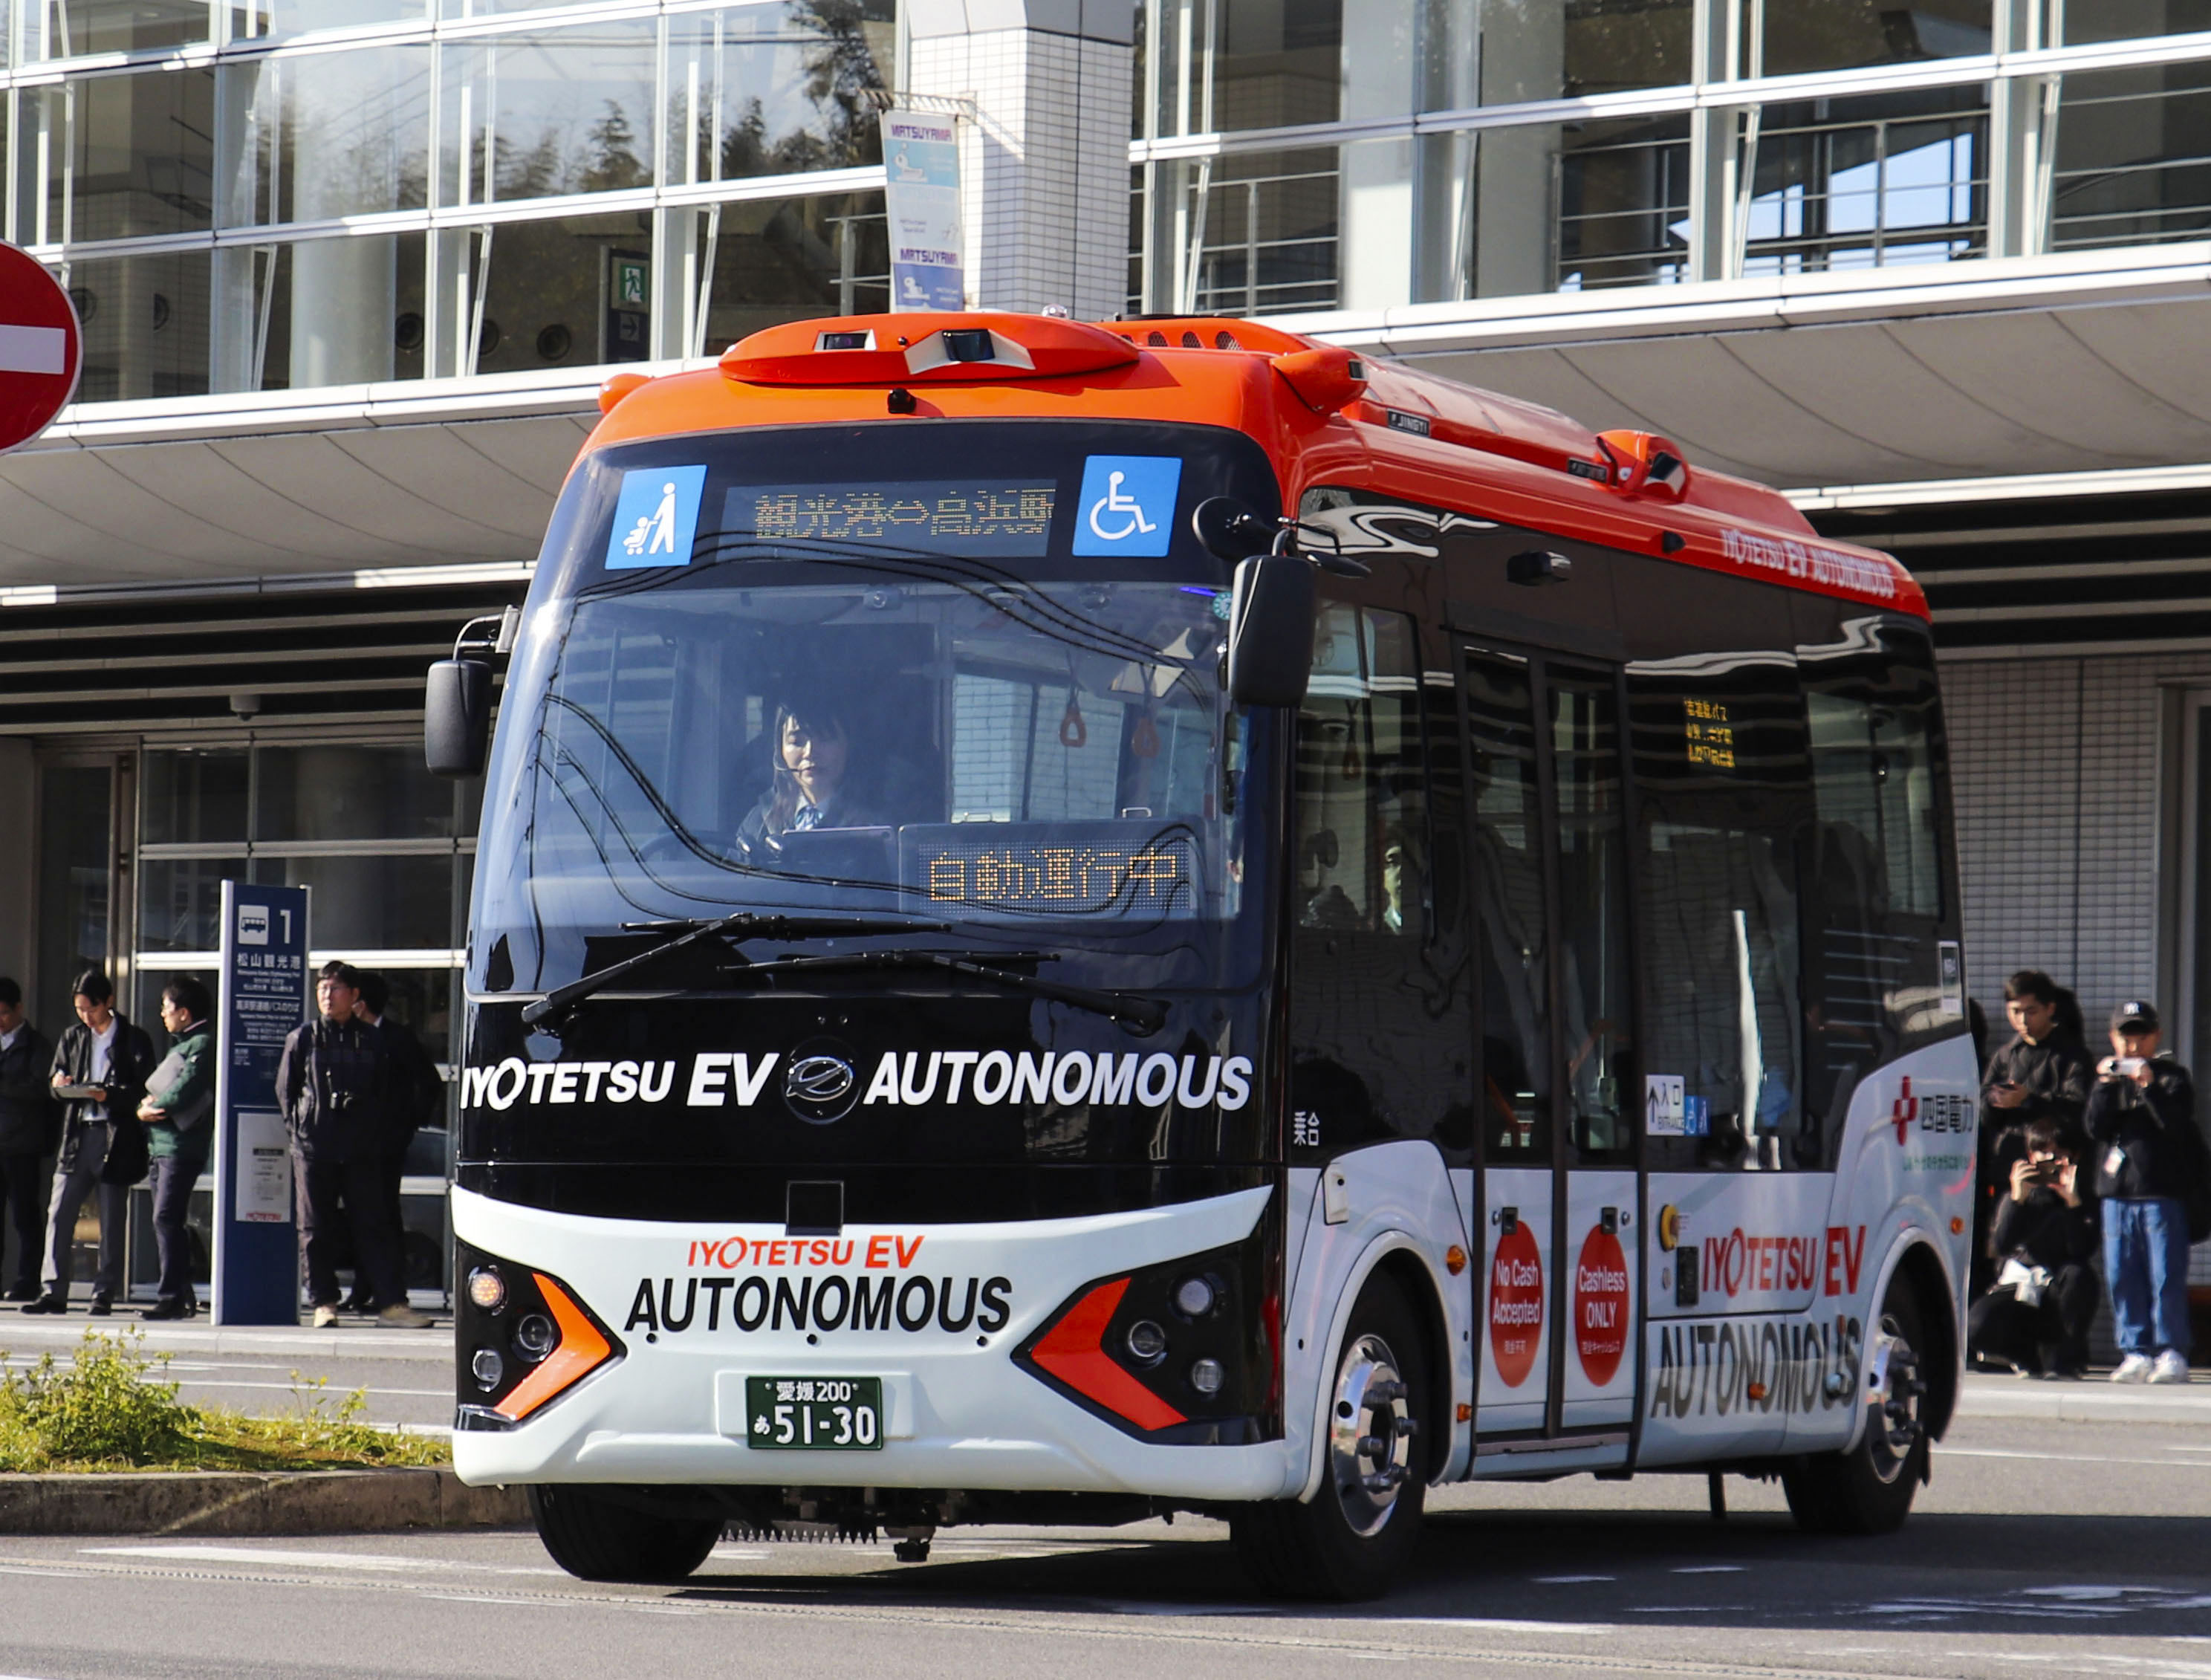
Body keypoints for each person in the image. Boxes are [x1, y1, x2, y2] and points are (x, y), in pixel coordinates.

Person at [276, 962, 430, 1329]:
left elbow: (391, 1095)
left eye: (337, 989)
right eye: (323, 989)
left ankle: (392, 1304)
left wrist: (388, 1135)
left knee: (375, 1225)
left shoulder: (375, 1040)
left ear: (355, 996)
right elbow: (286, 1091)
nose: (328, 996)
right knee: (314, 1226)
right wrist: (299, 1132)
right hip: (314, 1147)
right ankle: (324, 1303)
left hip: (364, 1149)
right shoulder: (304, 1038)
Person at [2085, 999, 2204, 1384]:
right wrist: (2105, 1084)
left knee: (2165, 1275)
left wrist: (2149, 1086)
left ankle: (2170, 1350)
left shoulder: (2173, 1078)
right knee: (2122, 1275)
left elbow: (2176, 1125)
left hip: (2161, 1193)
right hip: (2117, 1195)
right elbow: (2094, 1128)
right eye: (2125, 1038)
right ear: (2113, 1039)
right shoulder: (2109, 1080)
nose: (2132, 1047)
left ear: (2156, 1037)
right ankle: (2134, 1350)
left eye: (2141, 1037)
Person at [23, 971, 155, 1315]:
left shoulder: (133, 1039)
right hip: (77, 1132)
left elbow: (143, 1089)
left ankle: (104, 1293)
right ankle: (53, 1291)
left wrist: (107, 1095)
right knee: (60, 1212)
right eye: (79, 1009)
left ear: (108, 1002)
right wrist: (59, 1082)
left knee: (111, 1220)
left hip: (115, 1136)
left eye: (91, 1009)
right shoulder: (73, 1037)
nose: (86, 1016)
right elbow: (56, 1080)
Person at [1975, 970, 2090, 1297]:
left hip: (2056, 1175)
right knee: (2004, 1251)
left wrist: (2028, 1098)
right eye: (2015, 1012)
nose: (2023, 1020)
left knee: (2063, 1266)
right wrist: (1996, 1103)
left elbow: (2080, 1107)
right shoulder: (2005, 1055)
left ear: (2050, 1009)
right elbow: (1983, 1115)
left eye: (2031, 1011)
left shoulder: (2070, 1054)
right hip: (2011, 1174)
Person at [1967, 1117, 2099, 1378]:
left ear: (2074, 1158)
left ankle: (2064, 1361)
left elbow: (2081, 1250)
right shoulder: (2018, 1195)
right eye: (2044, 1153)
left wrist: (2073, 1204)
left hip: (2058, 1291)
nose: (2052, 1160)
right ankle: (2021, 1356)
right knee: (1977, 1324)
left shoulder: (2084, 1198)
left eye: (2060, 1155)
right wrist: (2017, 1199)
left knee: (2079, 1275)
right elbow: (2002, 1245)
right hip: (2020, 1283)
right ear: (2030, 1156)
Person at [342, 973, 444, 1317]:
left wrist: (410, 1122)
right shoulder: (346, 1037)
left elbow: (429, 1080)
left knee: (383, 1216)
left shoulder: (397, 1038)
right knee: (359, 1217)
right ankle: (363, 1288)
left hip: (386, 1144)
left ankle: (388, 1290)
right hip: (354, 1143)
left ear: (360, 1002)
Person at [136, 979, 216, 1320]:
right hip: (162, 1144)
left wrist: (152, 1109)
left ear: (184, 1013)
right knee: (169, 1219)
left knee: (166, 1217)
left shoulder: (202, 1043)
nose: (162, 1015)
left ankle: (170, 1297)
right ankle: (182, 1295)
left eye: (167, 1009)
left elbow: (188, 1088)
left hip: (181, 1146)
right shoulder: (180, 1045)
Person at [734, 697, 886, 857]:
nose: (810, 752)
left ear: (848, 747)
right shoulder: (758, 823)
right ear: (780, 751)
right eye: (797, 741)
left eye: (825, 738)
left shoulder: (877, 825)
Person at [0, 978, 56, 1303]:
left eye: (5, 1014)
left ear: (19, 1009)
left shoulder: (36, 1046)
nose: (1, 1021)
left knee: (25, 1216)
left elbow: (40, 1091)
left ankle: (27, 1280)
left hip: (23, 1143)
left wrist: (4, 1084)